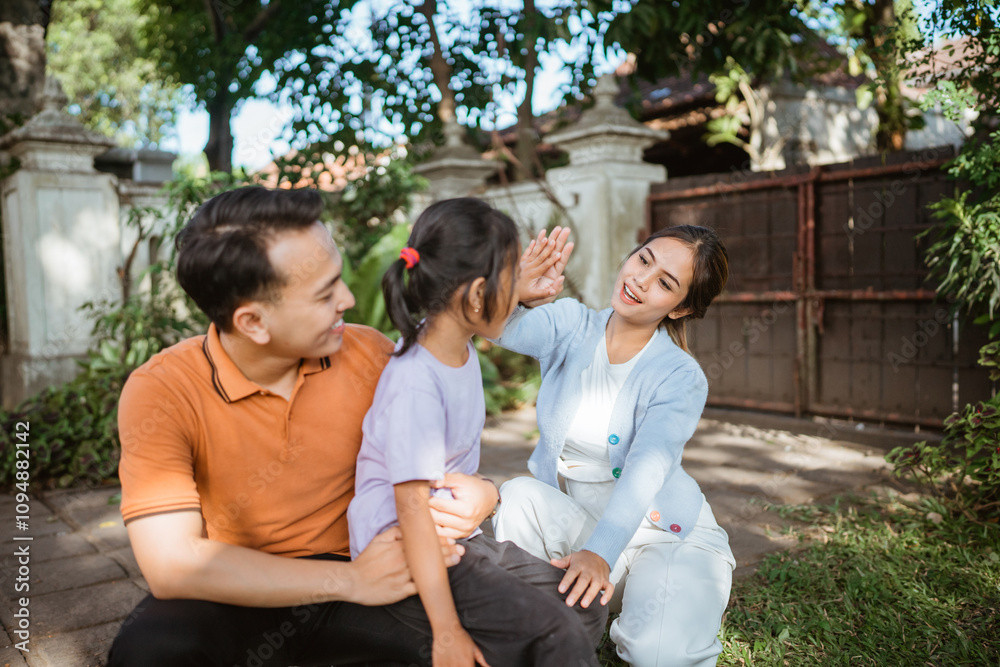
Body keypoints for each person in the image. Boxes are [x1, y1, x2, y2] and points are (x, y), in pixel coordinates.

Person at [105, 187, 581, 666]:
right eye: (324, 292)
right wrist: (351, 582)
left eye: (341, 278)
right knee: (149, 654)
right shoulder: (162, 390)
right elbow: (171, 564)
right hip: (245, 586)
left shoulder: (372, 356)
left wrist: (485, 492)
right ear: (252, 322)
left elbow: (447, 341)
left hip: (373, 570)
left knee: (541, 626)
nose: (348, 299)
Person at [347, 197, 606, 667]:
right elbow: (412, 515)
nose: (518, 287)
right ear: (475, 296)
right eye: (510, 276)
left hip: (457, 537)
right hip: (409, 548)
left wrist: (516, 292)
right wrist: (446, 632)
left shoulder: (451, 336)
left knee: (585, 606)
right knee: (557, 633)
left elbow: (483, 312)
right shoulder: (416, 384)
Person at [492, 224, 736, 667]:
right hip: (586, 534)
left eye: (665, 282)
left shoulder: (679, 376)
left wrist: (600, 553)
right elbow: (499, 328)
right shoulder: (570, 323)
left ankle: (648, 601)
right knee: (519, 494)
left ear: (680, 310)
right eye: (644, 259)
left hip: (666, 538)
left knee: (655, 656)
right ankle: (551, 613)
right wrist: (514, 290)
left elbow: (647, 466)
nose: (641, 280)